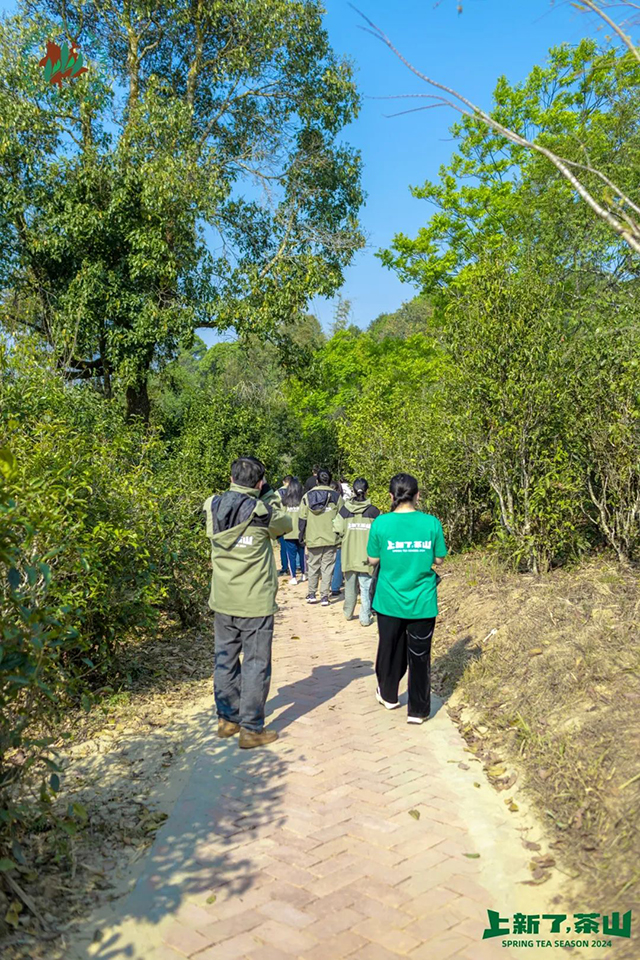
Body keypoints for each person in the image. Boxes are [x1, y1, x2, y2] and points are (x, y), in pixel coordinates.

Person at [203, 456, 292, 748]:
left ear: (230, 478)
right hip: (255, 601)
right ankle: (251, 729)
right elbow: (286, 524)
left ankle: (227, 720)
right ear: (259, 482)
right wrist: (268, 496)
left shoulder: (212, 505)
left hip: (223, 598)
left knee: (225, 660)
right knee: (256, 664)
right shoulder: (263, 511)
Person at [367, 473, 447, 724]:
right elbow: (439, 559)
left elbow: (372, 560)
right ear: (418, 495)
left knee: (389, 648)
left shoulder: (381, 523)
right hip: (422, 601)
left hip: (389, 600)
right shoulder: (432, 523)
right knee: (420, 656)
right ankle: (418, 711)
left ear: (391, 497)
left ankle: (389, 695)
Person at [333, 477, 380, 626]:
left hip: (349, 555)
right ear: (367, 491)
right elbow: (380, 534)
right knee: (366, 588)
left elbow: (337, 529)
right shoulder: (374, 511)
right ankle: (365, 618)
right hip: (367, 557)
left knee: (350, 586)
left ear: (353, 491)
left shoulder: (344, 510)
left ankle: (348, 613)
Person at [299, 467, 342, 606]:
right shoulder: (336, 497)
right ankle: (324, 596)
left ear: (317, 480)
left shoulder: (307, 496)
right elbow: (342, 517)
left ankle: (311, 594)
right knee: (327, 567)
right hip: (331, 537)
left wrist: (301, 535)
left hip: (312, 537)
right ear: (330, 481)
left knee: (313, 566)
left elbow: (302, 518)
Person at [282, 478, 306, 585]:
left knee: (290, 556)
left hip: (289, 532)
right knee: (302, 553)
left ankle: (293, 577)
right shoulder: (302, 501)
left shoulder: (285, 502)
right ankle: (304, 574)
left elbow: (282, 516)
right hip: (301, 532)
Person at [330, 478, 345, 596]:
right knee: (338, 561)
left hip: (322, 536)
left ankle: (328, 585)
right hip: (337, 536)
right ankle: (335, 586)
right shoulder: (340, 500)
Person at [277, 475, 293, 575]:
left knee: (283, 546)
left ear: (284, 482)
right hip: (293, 521)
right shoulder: (295, 491)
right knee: (295, 545)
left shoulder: (277, 493)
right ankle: (298, 566)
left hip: (281, 522)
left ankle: (285, 568)